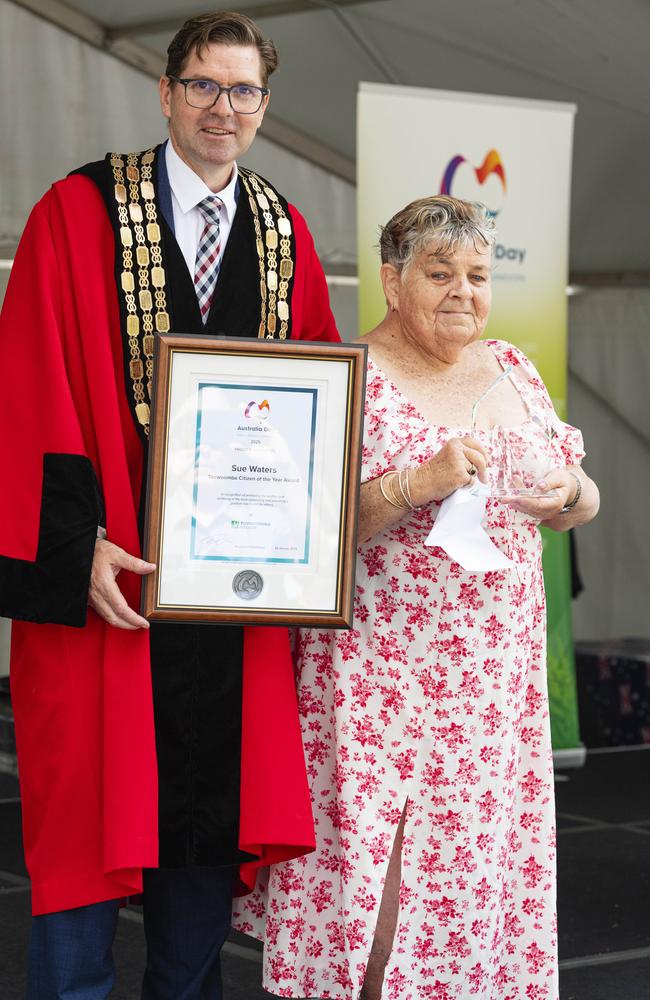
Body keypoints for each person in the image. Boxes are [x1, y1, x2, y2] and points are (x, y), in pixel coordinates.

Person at [0, 10, 338, 999]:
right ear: (166, 90)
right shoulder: (78, 208)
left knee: (202, 844)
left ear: (264, 106)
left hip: (229, 602)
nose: (220, 108)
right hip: (113, 590)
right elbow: (31, 384)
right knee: (85, 846)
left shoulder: (282, 230)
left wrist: (302, 546)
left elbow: (319, 406)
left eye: (241, 91)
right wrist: (76, 546)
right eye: (202, 85)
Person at [233, 196, 599, 999]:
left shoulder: (513, 366)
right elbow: (303, 535)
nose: (463, 291)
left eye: (477, 275)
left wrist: (570, 490)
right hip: (381, 684)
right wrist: (416, 483)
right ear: (393, 282)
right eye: (441, 274)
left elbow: (583, 498)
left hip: (493, 693)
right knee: (382, 897)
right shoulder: (345, 374)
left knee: (475, 894)